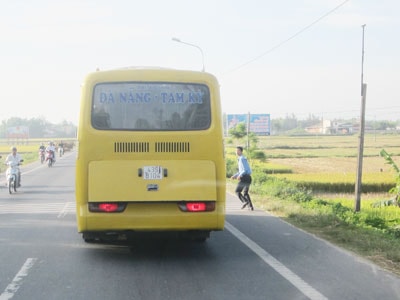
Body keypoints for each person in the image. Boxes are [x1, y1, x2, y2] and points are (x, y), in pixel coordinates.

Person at [231, 146, 253, 210]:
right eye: (236, 151)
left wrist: (240, 175)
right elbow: (241, 171)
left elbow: (244, 170)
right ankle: (250, 207)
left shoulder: (242, 159)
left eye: (238, 151)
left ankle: (245, 201)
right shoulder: (240, 159)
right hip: (248, 178)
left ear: (241, 151)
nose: (236, 152)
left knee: (237, 191)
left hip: (245, 177)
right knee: (245, 193)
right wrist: (235, 176)